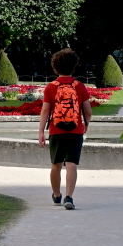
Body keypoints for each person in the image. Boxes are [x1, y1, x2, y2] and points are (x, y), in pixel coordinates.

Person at [38, 48, 92, 210]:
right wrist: (86, 123)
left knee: (56, 164)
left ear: (55, 66)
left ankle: (56, 196)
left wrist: (41, 131)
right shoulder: (79, 86)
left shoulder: (51, 87)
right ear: (74, 65)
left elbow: (45, 110)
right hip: (75, 130)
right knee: (71, 164)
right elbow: (88, 111)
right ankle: (69, 197)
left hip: (56, 130)